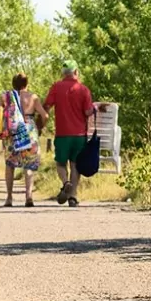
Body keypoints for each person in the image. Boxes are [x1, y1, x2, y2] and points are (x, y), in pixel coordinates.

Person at [0, 73, 47, 208]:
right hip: (29, 131)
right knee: (29, 165)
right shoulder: (33, 97)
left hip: (12, 133)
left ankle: (9, 198)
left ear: (13, 84)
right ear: (27, 84)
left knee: (10, 165)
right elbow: (45, 115)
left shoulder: (6, 97)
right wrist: (40, 126)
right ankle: (29, 196)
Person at [43, 60, 97, 207]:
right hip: (79, 135)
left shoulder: (56, 87)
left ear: (63, 73)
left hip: (62, 133)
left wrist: (40, 122)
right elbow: (87, 111)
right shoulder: (83, 89)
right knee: (75, 165)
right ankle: (72, 196)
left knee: (60, 163)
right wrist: (95, 109)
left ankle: (65, 182)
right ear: (76, 72)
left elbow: (46, 106)